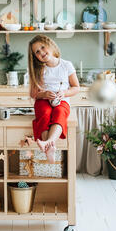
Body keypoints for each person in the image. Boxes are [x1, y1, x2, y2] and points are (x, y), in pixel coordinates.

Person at [28, 35, 80, 163]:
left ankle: (48, 143)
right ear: (35, 57)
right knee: (45, 113)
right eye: (37, 52)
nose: (41, 52)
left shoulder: (66, 65)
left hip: (61, 100)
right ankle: (50, 147)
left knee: (59, 112)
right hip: (43, 100)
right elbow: (33, 94)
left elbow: (76, 87)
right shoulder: (39, 69)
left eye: (42, 47)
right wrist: (44, 94)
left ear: (50, 45)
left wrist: (65, 93)